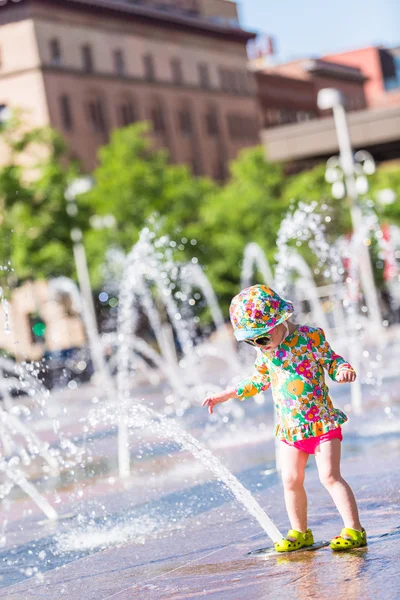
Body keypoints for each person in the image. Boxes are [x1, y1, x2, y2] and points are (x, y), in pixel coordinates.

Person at [202, 284, 367, 552]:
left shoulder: (310, 337)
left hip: (321, 423)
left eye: (262, 338)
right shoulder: (265, 351)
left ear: (280, 321)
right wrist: (226, 394)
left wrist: (342, 370)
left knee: (329, 476)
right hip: (291, 430)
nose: (258, 344)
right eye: (251, 340)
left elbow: (332, 359)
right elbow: (258, 381)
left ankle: (354, 530)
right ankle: (300, 533)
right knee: (290, 480)